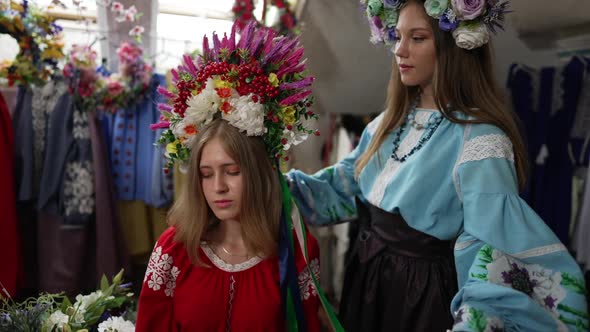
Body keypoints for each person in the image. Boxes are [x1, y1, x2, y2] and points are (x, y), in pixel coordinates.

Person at [286, 0, 589, 331]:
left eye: (417, 38)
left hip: (420, 299)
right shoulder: (386, 123)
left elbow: (492, 249)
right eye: (397, 36)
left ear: (451, 47)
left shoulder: (479, 140)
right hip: (367, 282)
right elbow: (341, 190)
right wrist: (268, 181)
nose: (399, 50)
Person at [135, 22, 341, 331]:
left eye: (232, 171)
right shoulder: (175, 249)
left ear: (259, 174)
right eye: (206, 175)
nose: (218, 187)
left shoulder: (294, 252)